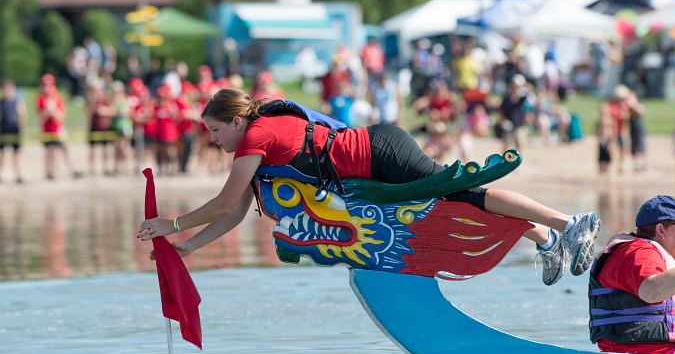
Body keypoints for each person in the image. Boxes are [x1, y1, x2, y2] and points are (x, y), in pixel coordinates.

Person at [138, 88, 601, 287]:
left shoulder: (257, 135)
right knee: (450, 210)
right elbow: (235, 212)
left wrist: (172, 223)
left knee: (460, 193)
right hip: (375, 169)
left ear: (237, 122)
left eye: (216, 131)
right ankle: (546, 239)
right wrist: (187, 248)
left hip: (381, 151)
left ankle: (569, 223)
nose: (213, 140)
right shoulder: (255, 151)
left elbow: (221, 202)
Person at [589, 195, 675, 354]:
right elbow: (651, 291)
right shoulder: (639, 251)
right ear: (660, 229)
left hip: (665, 352)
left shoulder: (649, 253)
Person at [0, 79, 26, 183]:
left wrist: (21, 125)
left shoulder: (17, 102)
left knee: (16, 154)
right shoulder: (2, 102)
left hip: (15, 130)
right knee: (1, 154)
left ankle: (18, 174)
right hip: (3, 130)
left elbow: (22, 115)